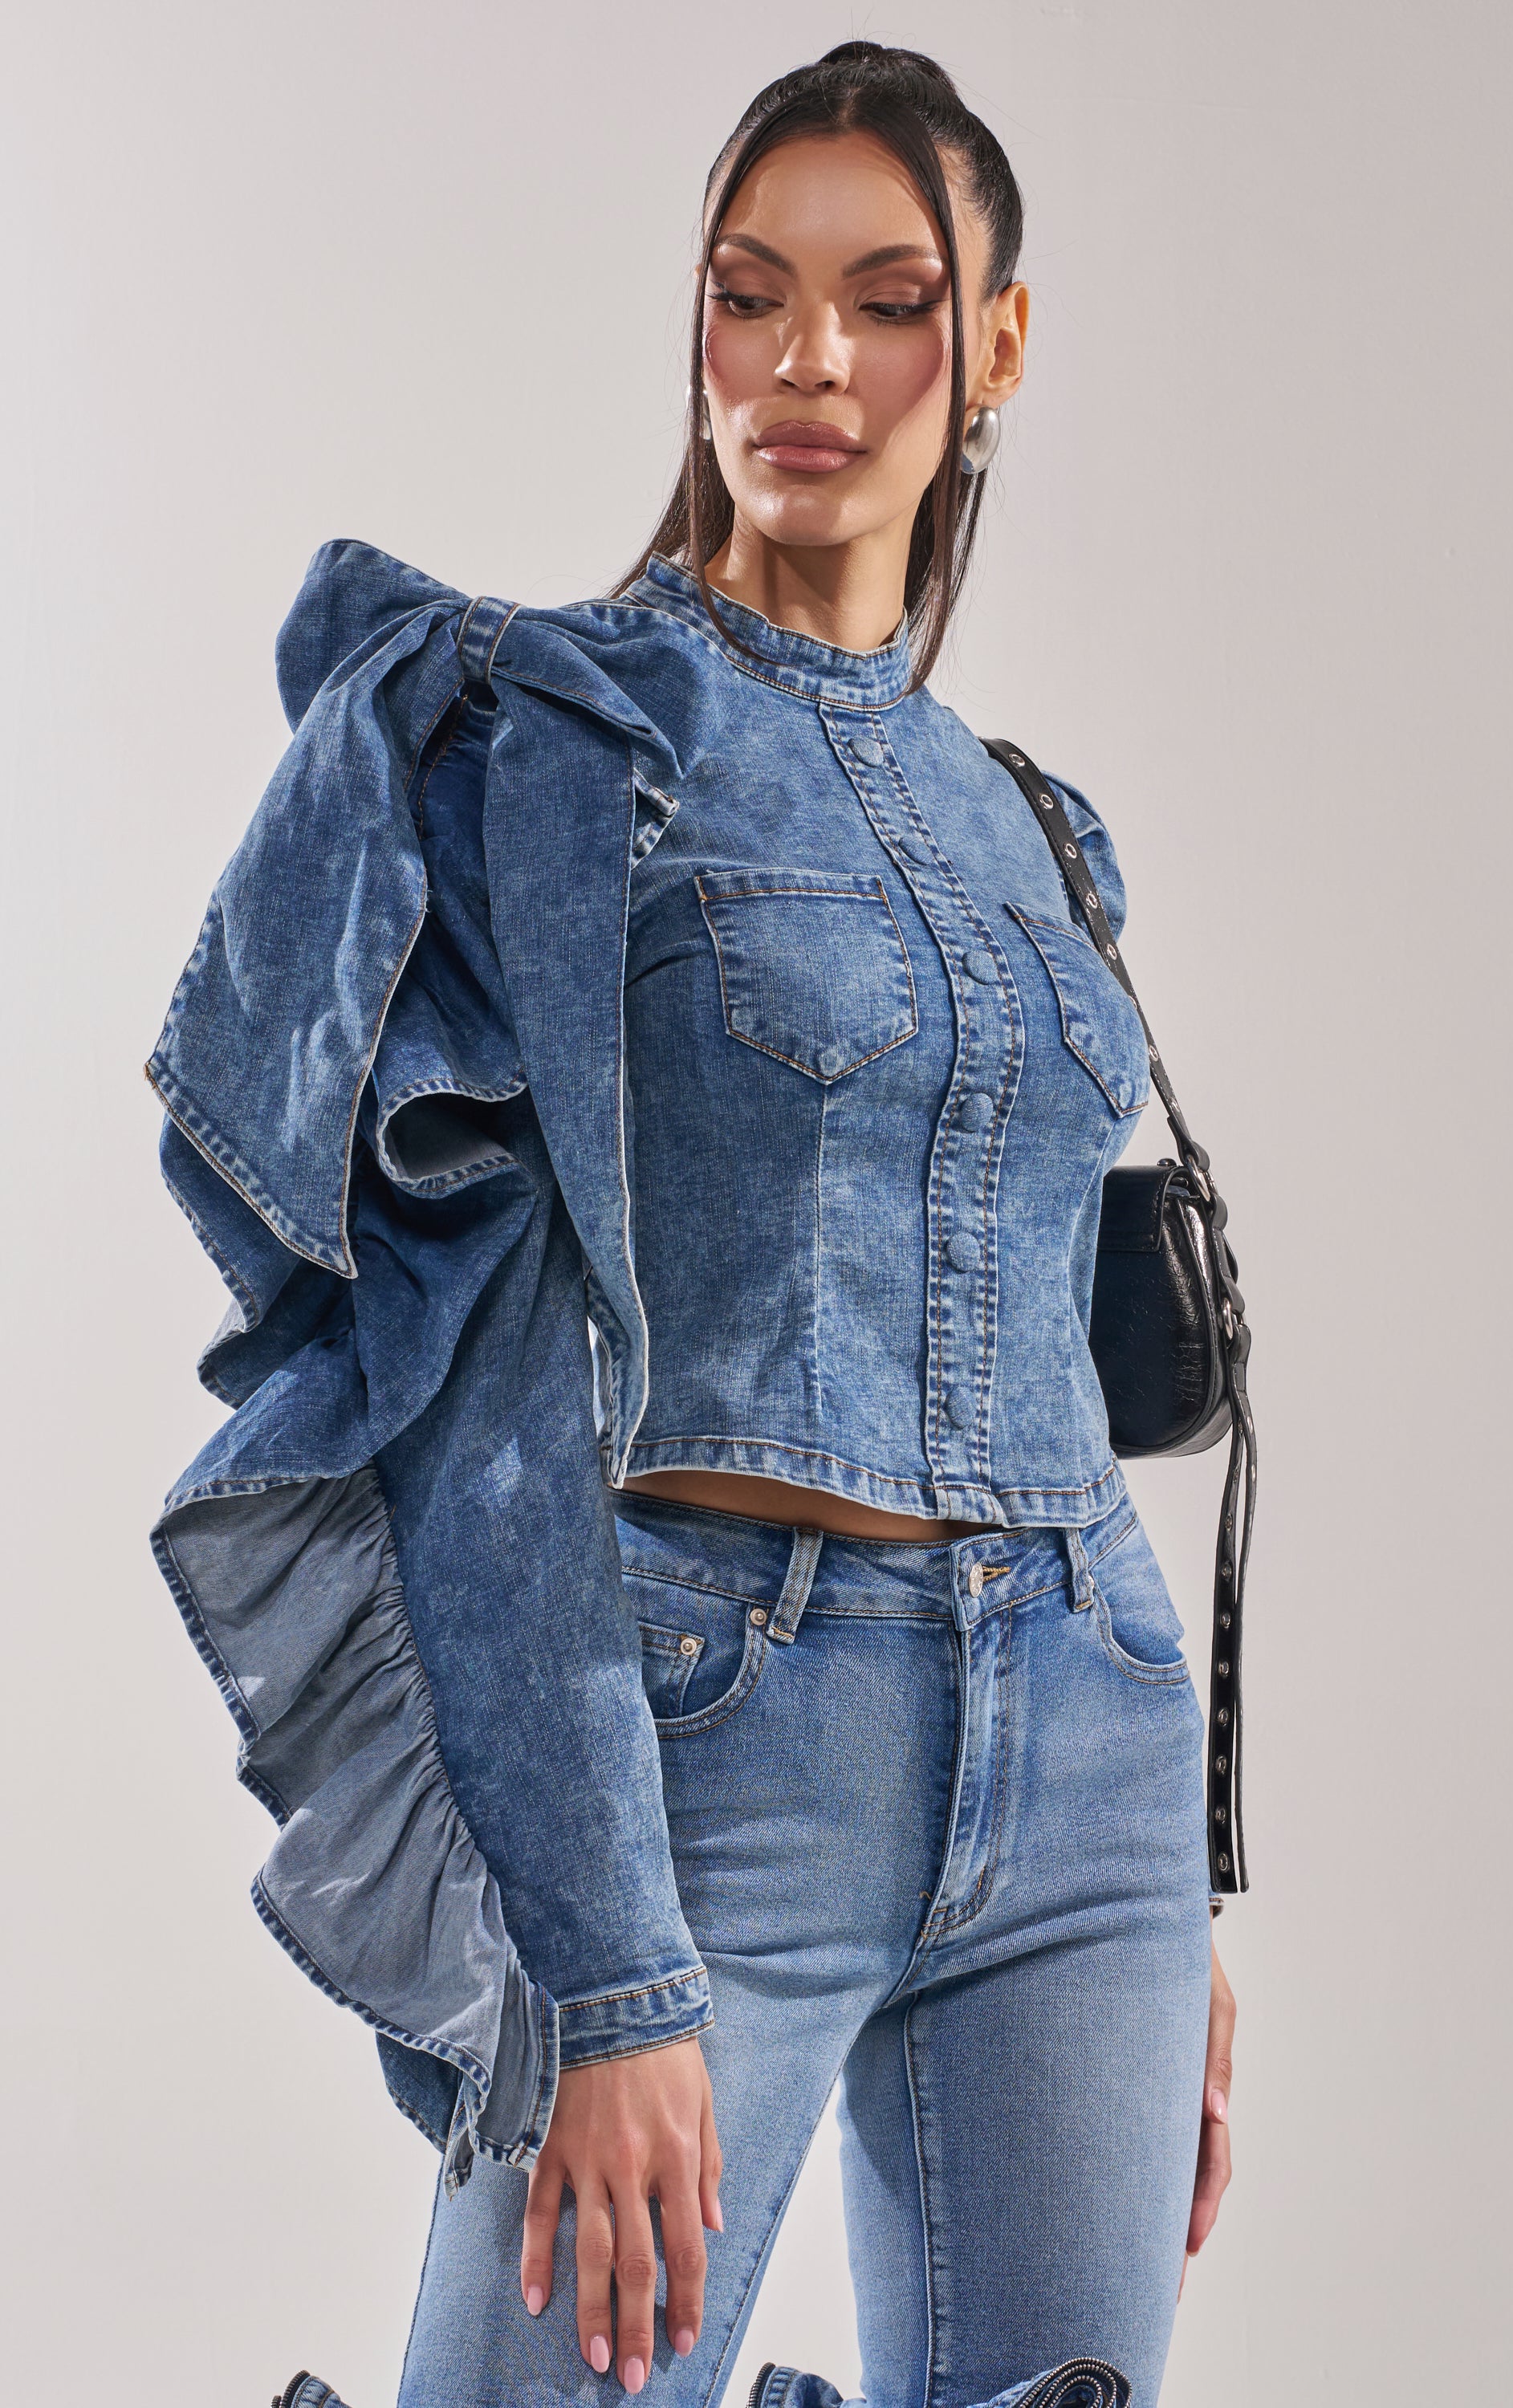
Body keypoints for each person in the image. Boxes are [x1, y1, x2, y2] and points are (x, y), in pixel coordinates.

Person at [149, 42, 1235, 2408]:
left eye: (885, 299)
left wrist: (1188, 1903)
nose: (810, 364)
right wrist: (605, 1962)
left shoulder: (1042, 828)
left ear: (1002, 346)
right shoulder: (547, 735)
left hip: (1096, 1766)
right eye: (751, 300)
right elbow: (475, 1393)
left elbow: (1061, 1357)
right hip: (723, 1749)